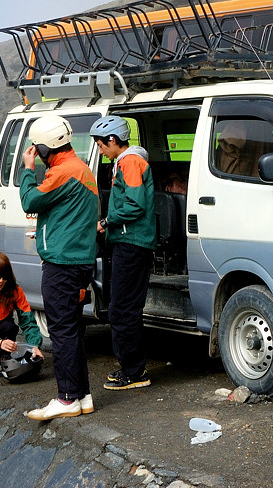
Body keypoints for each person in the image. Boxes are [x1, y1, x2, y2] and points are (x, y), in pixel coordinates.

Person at [20, 116, 100, 420]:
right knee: (73, 331)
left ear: (43, 147)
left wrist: (29, 170)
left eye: (36, 148)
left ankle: (67, 398)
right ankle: (83, 396)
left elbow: (31, 200)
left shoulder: (63, 172)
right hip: (78, 261)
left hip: (62, 264)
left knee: (62, 332)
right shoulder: (80, 169)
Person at [90, 116, 156, 391]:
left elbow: (134, 204)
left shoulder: (129, 162)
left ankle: (133, 372)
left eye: (101, 145)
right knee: (124, 307)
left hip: (132, 242)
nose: (100, 151)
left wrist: (106, 222)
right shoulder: (128, 161)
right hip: (130, 241)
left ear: (113, 140)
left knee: (122, 308)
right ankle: (132, 368)